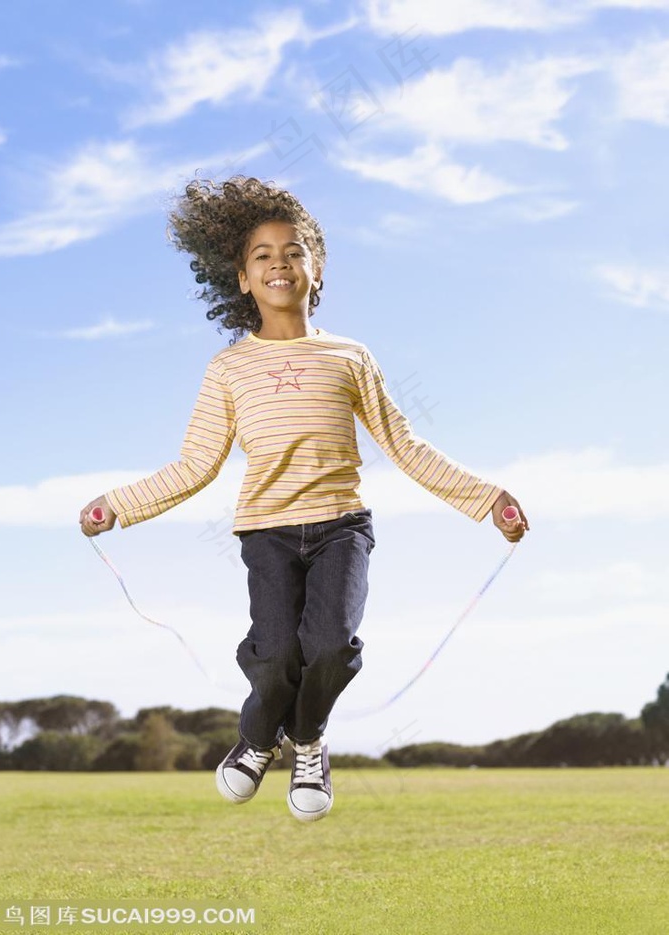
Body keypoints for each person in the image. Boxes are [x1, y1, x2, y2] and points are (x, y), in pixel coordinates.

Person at [80, 176, 528, 822]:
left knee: (330, 645)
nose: (279, 263)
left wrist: (490, 499)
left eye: (293, 251)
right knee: (277, 653)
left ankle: (308, 740)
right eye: (261, 255)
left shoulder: (350, 355)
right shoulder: (229, 369)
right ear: (240, 278)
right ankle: (260, 739)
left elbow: (405, 446)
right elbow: (196, 464)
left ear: (316, 268)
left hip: (342, 526)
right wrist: (116, 505)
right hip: (266, 532)